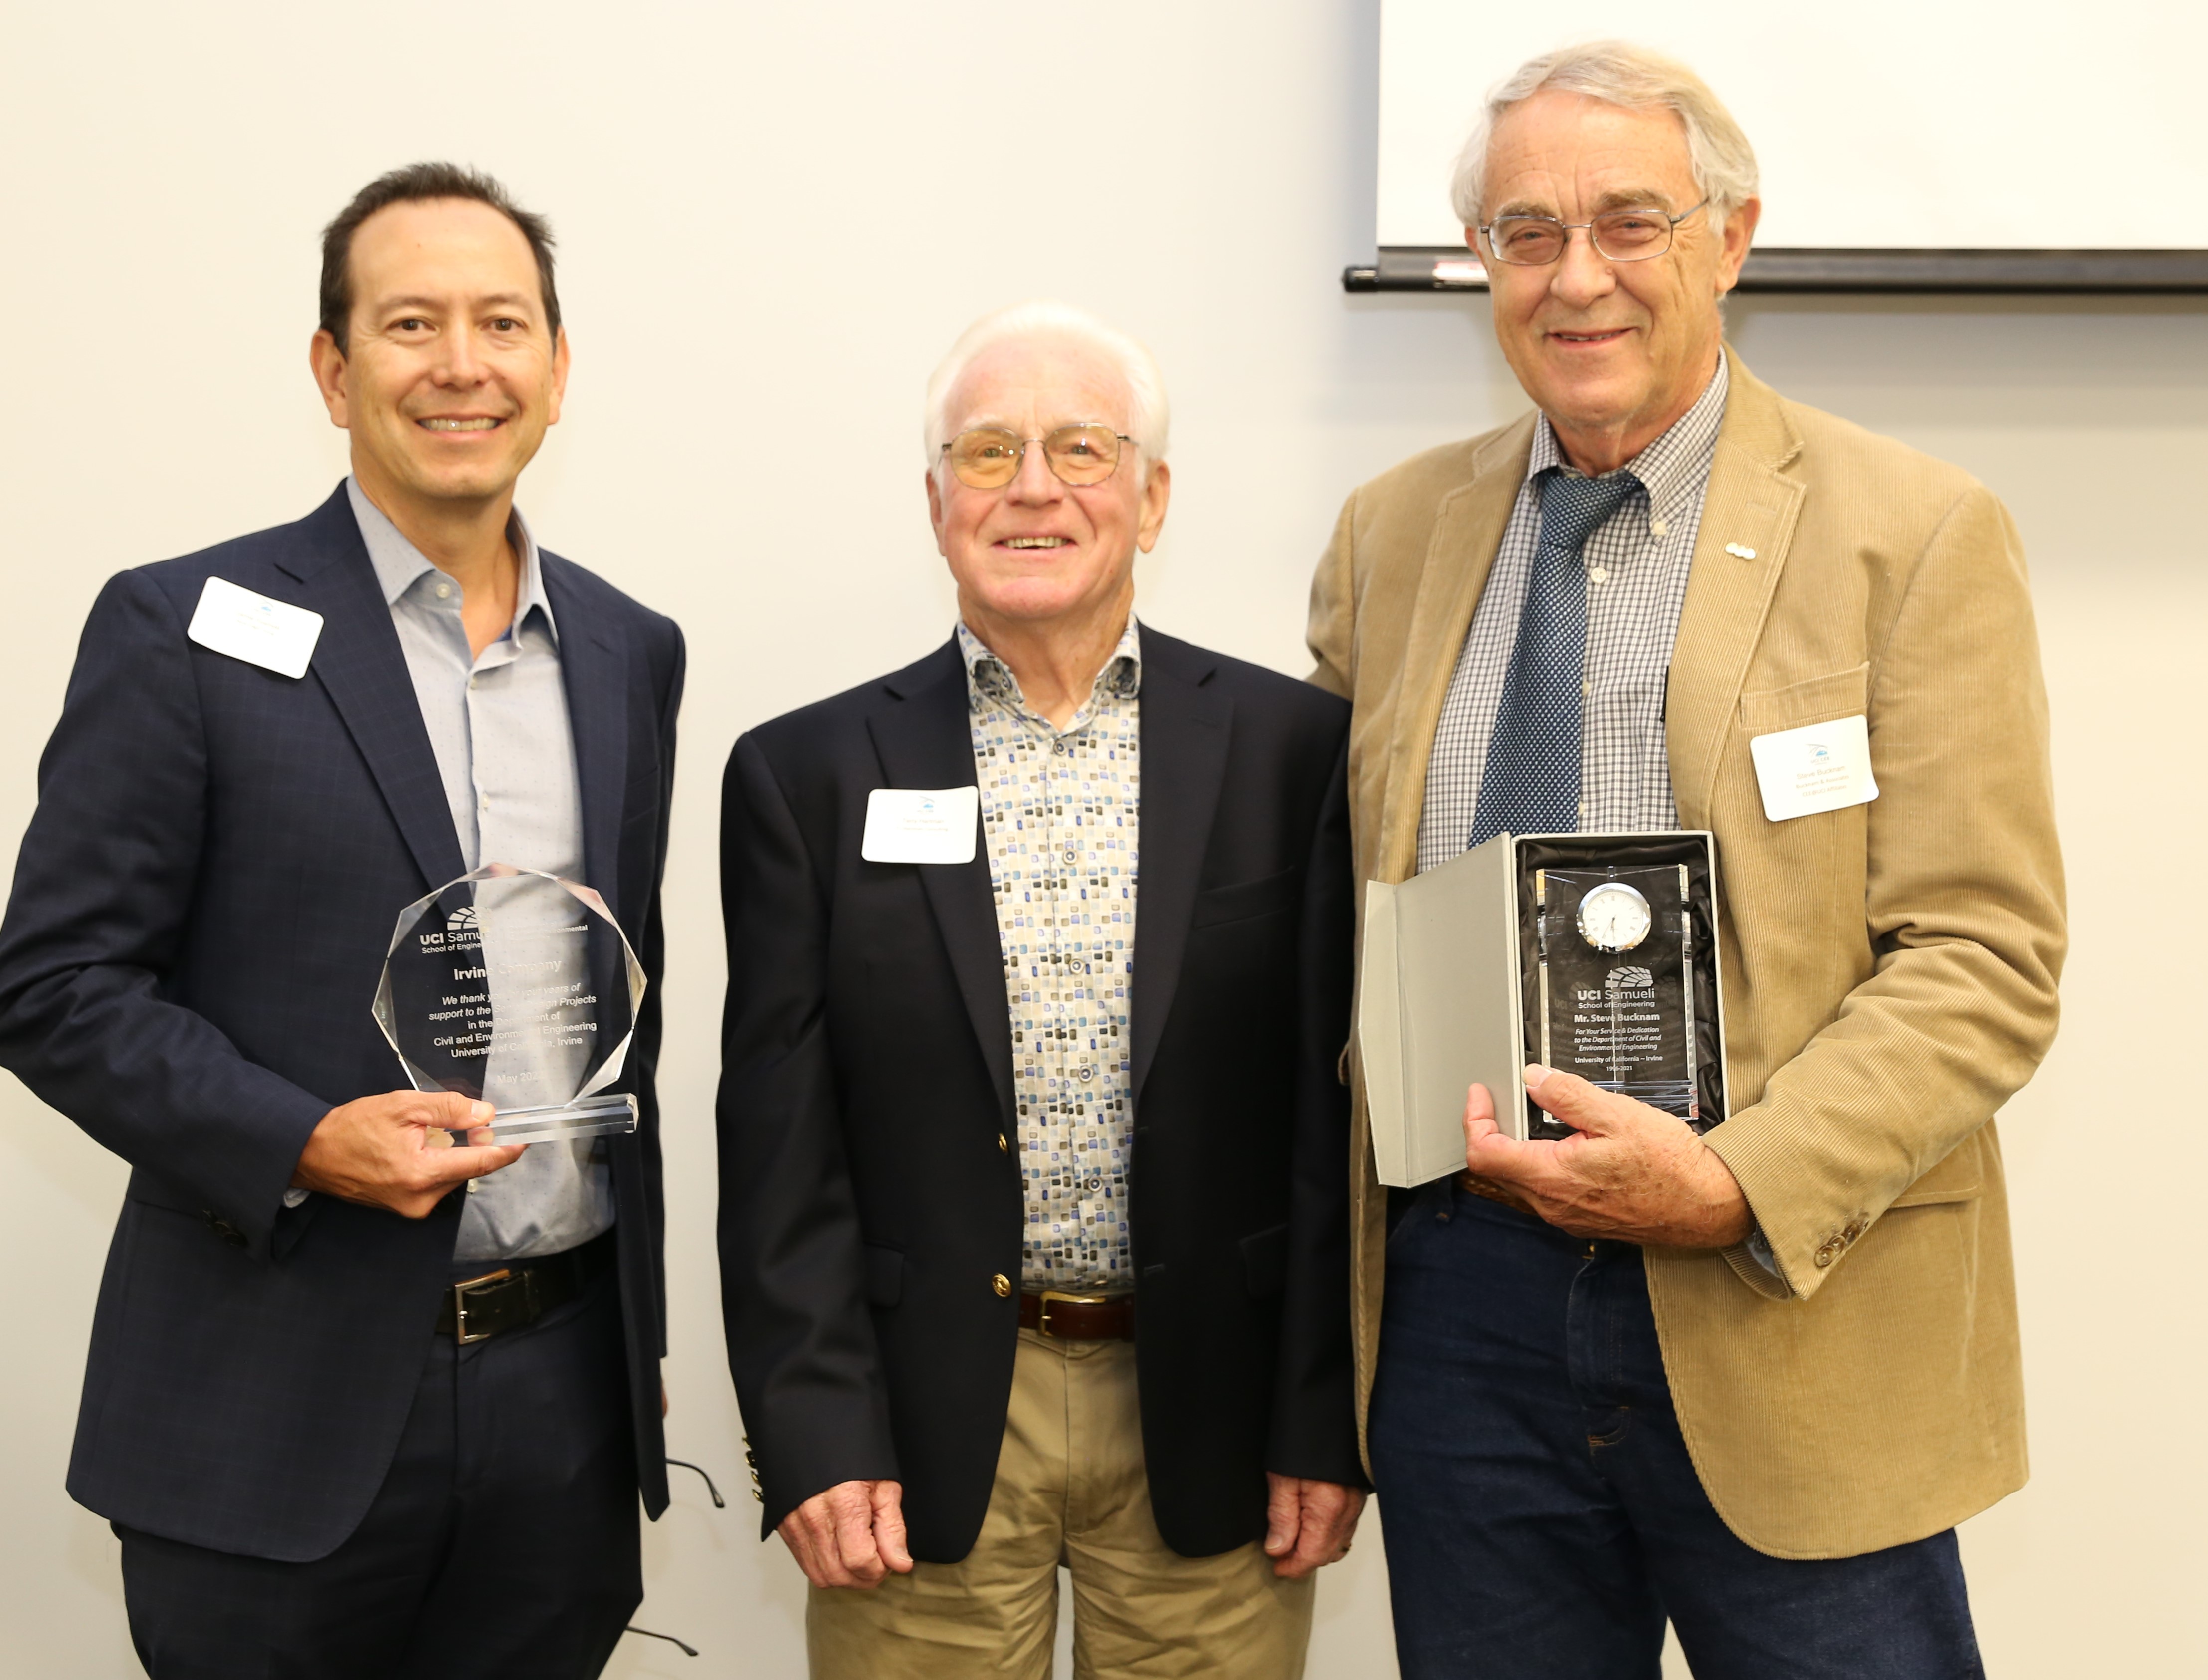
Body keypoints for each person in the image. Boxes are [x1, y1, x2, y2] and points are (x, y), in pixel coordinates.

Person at [1307, 41, 2065, 1680]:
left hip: (1785, 1301)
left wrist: (1734, 1184)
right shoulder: (1390, 536)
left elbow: (1983, 958)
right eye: (1524, 233)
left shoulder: (1910, 533)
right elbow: (1318, 921)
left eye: (1627, 222)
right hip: (1463, 1317)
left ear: (1729, 239)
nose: (1575, 276)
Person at [0, 163, 685, 1677]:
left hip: (556, 1406)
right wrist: (305, 1138)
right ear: (333, 369)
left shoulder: (631, 653)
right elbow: (52, 985)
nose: (461, 364)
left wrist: (628, 1353)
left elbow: (622, 992)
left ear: (558, 372)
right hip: (274, 1403)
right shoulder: (179, 629)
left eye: (503, 323)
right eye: (409, 323)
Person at [718, 301, 1365, 1679]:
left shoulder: (1295, 753)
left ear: (1151, 493)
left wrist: (1322, 1416)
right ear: (936, 495)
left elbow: (1331, 1124)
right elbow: (779, 1148)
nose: (1032, 488)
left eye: (1080, 448)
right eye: (989, 449)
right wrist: (816, 1434)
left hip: (1211, 1410)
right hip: (927, 1419)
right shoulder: (807, 776)